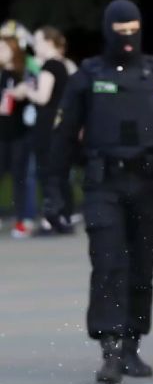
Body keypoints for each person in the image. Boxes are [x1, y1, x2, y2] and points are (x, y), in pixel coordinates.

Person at [45, 0, 153, 384]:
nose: (127, 38)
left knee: (141, 268)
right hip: (103, 185)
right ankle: (110, 347)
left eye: (133, 30)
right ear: (108, 30)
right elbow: (62, 136)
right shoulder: (88, 76)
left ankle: (131, 347)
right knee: (109, 266)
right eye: (119, 31)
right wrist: (54, 191)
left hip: (149, 185)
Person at [13, 26, 74, 233]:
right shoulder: (62, 65)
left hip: (47, 127)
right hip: (59, 127)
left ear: (48, 42)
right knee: (59, 173)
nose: (34, 46)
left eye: (37, 41)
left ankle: (52, 219)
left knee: (47, 174)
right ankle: (63, 216)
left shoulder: (49, 66)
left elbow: (42, 97)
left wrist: (27, 90)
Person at [0, 35, 35, 238]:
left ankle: (22, 220)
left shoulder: (23, 73)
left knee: (19, 178)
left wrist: (22, 91)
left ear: (13, 50)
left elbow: (28, 93)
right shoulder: (2, 73)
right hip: (2, 135)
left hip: (20, 134)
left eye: (3, 48)